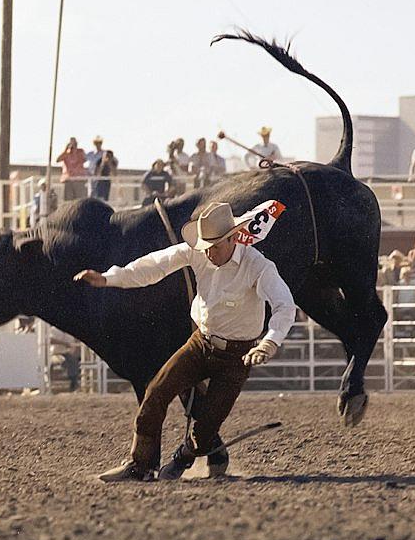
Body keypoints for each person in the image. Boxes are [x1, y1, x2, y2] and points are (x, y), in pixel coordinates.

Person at [74, 201, 296, 483]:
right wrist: (108, 278)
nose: (209, 252)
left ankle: (186, 454)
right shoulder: (200, 252)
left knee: (205, 430)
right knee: (156, 392)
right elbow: (154, 265)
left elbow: (284, 306)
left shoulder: (258, 266)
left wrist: (269, 342)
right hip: (200, 343)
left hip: (236, 357)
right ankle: (140, 465)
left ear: (233, 238)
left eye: (215, 246)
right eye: (206, 246)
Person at [55, 137, 88, 202]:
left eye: (75, 143)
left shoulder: (80, 151)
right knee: (68, 201)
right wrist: (66, 150)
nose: (73, 145)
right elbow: (58, 160)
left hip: (79, 179)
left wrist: (75, 151)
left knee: (80, 200)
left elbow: (85, 159)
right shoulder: (66, 154)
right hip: (68, 180)